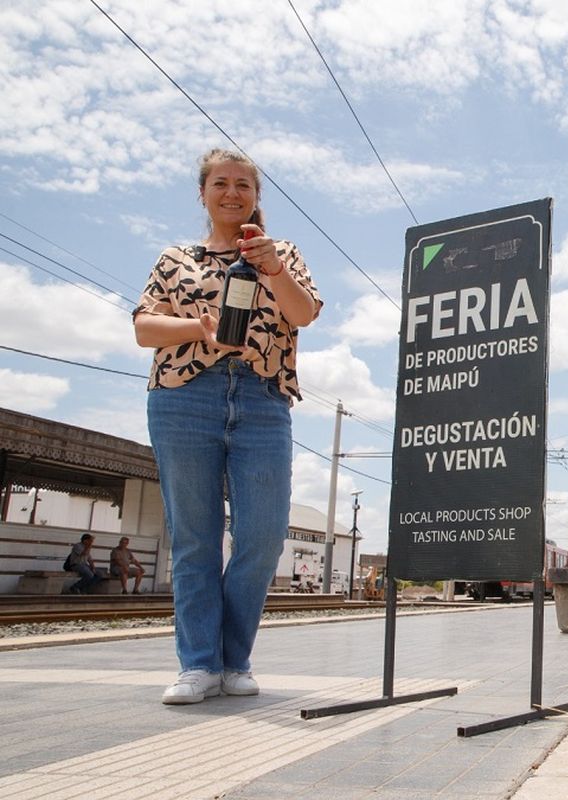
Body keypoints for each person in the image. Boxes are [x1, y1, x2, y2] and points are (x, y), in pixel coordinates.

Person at [133, 148, 321, 705]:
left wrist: (272, 268)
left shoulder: (281, 253)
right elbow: (145, 327)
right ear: (203, 193)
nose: (232, 192)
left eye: (243, 184)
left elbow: (304, 313)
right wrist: (199, 328)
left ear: (257, 197)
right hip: (183, 397)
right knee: (194, 538)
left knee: (262, 537)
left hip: (263, 399)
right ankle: (199, 665)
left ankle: (234, 658)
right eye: (221, 183)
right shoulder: (175, 258)